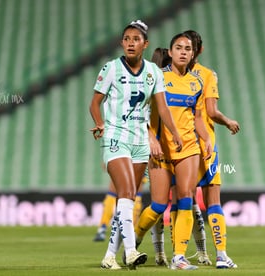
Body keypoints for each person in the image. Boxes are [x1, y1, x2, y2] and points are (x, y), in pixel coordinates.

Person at [89, 20, 182, 270]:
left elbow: (162, 108)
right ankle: (130, 252)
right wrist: (100, 124)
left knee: (127, 198)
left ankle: (109, 256)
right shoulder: (111, 69)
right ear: (122, 42)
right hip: (116, 138)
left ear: (145, 44)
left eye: (136, 39)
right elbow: (94, 104)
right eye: (127, 39)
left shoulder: (153, 71)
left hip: (140, 140)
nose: (131, 43)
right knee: (127, 193)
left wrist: (174, 133)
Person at [135, 33, 212, 270]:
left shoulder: (196, 82)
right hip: (160, 148)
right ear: (170, 52)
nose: (183, 52)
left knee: (186, 196)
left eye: (187, 49)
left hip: (188, 147)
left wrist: (206, 137)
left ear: (192, 54)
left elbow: (198, 117)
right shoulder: (157, 77)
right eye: (178, 47)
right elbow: (139, 109)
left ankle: (179, 257)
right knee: (158, 205)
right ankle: (134, 240)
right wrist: (149, 136)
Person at [184, 29, 240, 269]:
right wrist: (228, 121)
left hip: (181, 145)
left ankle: (175, 256)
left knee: (182, 201)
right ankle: (221, 255)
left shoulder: (170, 74)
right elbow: (211, 112)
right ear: (202, 49)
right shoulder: (207, 75)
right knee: (213, 199)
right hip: (205, 145)